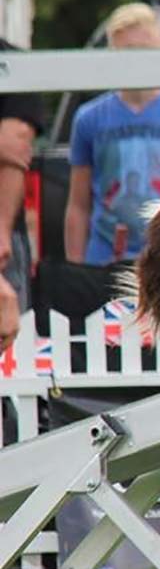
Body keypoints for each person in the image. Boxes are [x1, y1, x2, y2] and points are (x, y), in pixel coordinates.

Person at [64, 4, 160, 265]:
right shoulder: (89, 118)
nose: (137, 60)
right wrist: (77, 266)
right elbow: (78, 204)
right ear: (112, 55)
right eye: (127, 52)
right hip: (104, 258)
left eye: (145, 51)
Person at [0, 38, 44, 351]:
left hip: (5, 234)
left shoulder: (14, 63)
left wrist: (0, 230)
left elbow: (15, 143)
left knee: (14, 353)